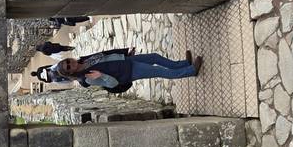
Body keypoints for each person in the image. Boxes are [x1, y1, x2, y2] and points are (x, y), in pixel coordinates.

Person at [57, 48, 203, 90]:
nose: (70, 64)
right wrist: (102, 75)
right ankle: (191, 71)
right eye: (68, 67)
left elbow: (106, 55)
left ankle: (183, 64)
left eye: (68, 62)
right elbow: (113, 84)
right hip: (129, 71)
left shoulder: (84, 60)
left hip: (125, 61)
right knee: (160, 71)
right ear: (71, 73)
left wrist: (124, 54)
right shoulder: (87, 78)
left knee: (154, 57)